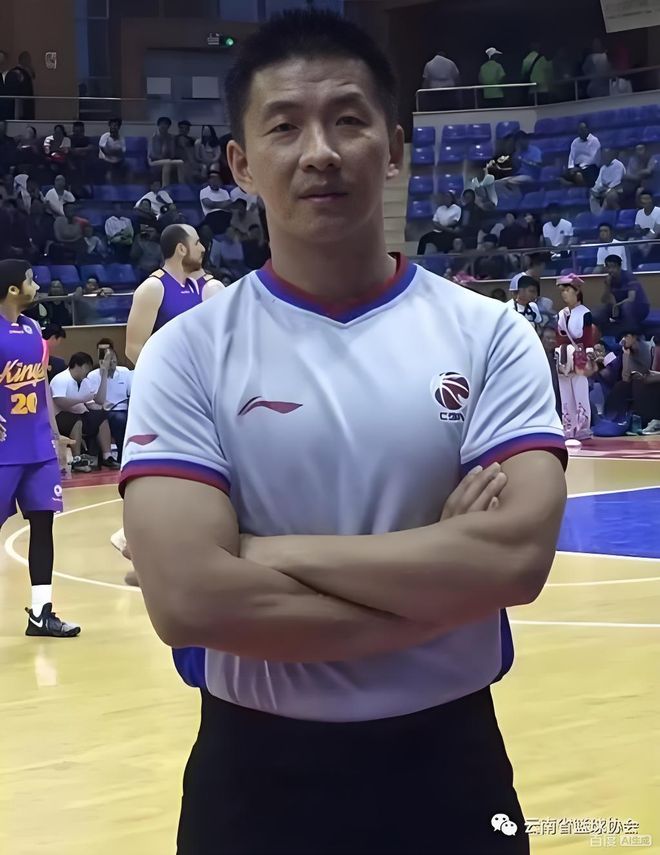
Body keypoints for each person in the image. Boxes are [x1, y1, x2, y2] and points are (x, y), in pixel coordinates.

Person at [121, 12, 567, 855]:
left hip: (452, 765)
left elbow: (516, 560)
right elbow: (187, 601)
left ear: (393, 148)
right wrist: (442, 587)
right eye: (285, 126)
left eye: (348, 120)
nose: (320, 151)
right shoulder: (189, 351)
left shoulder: (490, 335)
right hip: (255, 777)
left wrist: (259, 552)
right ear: (242, 164)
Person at [0, 258, 80, 636]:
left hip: (37, 448)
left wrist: (55, 433)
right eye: (30, 280)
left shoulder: (34, 329)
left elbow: (41, 385)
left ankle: (41, 613)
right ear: (13, 289)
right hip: (4, 451)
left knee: (43, 524)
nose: (36, 285)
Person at [125, 223, 222, 365]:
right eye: (197, 243)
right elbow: (133, 348)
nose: (203, 248)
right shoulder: (152, 288)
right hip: (169, 373)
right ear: (181, 249)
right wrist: (164, 375)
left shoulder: (212, 287)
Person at [50, 351, 119, 470]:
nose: (88, 371)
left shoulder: (85, 381)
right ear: (78, 365)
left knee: (101, 416)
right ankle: (77, 460)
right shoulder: (60, 379)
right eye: (87, 367)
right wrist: (81, 399)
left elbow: (99, 400)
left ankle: (107, 456)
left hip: (80, 413)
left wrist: (104, 374)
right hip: (58, 417)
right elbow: (60, 401)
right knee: (76, 420)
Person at [555, 274, 595, 440]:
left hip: (579, 355)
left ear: (577, 291)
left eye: (567, 290)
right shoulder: (561, 314)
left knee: (580, 392)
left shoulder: (585, 313)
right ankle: (568, 427)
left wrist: (589, 356)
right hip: (563, 356)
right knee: (565, 393)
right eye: (562, 291)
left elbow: (587, 338)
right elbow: (559, 337)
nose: (564, 294)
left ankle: (582, 428)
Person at [85, 338, 132, 458]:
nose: (111, 362)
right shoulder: (93, 375)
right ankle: (117, 455)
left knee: (125, 418)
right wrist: (104, 373)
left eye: (113, 359)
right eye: (107, 359)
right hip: (104, 411)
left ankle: (126, 454)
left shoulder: (125, 372)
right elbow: (93, 400)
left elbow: (132, 393)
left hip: (123, 409)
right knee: (118, 419)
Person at [594, 255, 650, 333]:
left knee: (627, 306)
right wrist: (608, 286)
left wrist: (616, 305)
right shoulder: (610, 279)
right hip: (622, 307)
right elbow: (604, 300)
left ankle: (631, 332)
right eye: (608, 267)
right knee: (601, 310)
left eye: (613, 267)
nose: (611, 270)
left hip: (640, 308)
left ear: (619, 267)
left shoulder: (629, 276)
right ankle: (605, 333)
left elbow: (631, 298)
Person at [416, 190, 461, 254]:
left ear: (452, 199)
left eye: (448, 197)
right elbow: (435, 222)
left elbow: (453, 222)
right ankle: (419, 257)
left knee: (445, 242)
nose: (446, 199)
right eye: (445, 197)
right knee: (423, 239)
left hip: (449, 233)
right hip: (438, 231)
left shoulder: (457, 209)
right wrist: (443, 227)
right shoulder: (440, 208)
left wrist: (441, 226)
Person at [148, 116, 184, 186]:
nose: (164, 126)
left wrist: (169, 143)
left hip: (168, 160)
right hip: (154, 161)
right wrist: (163, 158)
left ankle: (182, 185)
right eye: (162, 124)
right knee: (167, 163)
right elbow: (152, 155)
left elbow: (172, 154)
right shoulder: (154, 138)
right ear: (158, 125)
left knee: (181, 162)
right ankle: (165, 186)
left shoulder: (171, 138)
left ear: (168, 127)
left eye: (166, 124)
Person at [563, 123, 601, 188]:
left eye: (583, 130)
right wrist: (571, 167)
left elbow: (593, 159)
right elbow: (571, 156)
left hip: (590, 167)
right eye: (580, 130)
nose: (581, 132)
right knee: (562, 177)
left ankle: (583, 188)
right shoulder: (575, 142)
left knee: (581, 175)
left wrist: (579, 168)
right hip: (577, 167)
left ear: (588, 130)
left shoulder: (594, 141)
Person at [590, 150, 626, 214]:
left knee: (609, 196)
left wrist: (606, 192)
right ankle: (596, 216)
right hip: (605, 189)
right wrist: (594, 190)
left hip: (618, 188)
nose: (603, 158)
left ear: (610, 156)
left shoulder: (618, 165)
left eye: (605, 156)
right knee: (592, 196)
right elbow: (599, 182)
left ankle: (617, 214)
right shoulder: (603, 167)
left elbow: (616, 183)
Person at [540, 325, 562, 418]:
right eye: (548, 338)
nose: (551, 341)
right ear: (541, 339)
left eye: (553, 338)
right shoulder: (535, 355)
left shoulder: (558, 356)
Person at [98, 117, 127, 183]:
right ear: (109, 126)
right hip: (105, 161)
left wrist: (111, 151)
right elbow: (105, 151)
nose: (114, 127)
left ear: (119, 127)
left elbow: (122, 153)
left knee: (126, 166)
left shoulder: (121, 139)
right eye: (112, 125)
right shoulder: (105, 136)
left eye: (116, 125)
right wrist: (115, 151)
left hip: (118, 162)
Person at [10, 51, 35, 120]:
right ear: (23, 60)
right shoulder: (16, 72)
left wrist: (30, 67)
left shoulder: (26, 71)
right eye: (27, 59)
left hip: (27, 102)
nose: (29, 61)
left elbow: (33, 75)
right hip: (20, 102)